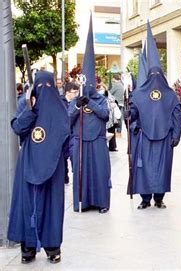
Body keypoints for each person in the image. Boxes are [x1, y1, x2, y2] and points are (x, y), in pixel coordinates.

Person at [8, 71, 69, 264]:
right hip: (29, 162)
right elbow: (18, 128)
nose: (44, 91)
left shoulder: (61, 108)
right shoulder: (26, 105)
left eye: (48, 86)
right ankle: (28, 249)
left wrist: (61, 159)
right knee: (27, 204)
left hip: (53, 165)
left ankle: (53, 248)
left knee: (52, 205)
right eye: (40, 87)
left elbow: (66, 137)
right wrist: (31, 110)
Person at [127, 22, 181, 209]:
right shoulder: (139, 94)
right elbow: (134, 112)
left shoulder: (170, 94)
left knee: (162, 169)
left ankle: (159, 198)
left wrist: (176, 135)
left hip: (165, 138)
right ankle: (145, 199)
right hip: (145, 137)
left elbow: (176, 115)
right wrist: (129, 114)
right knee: (144, 170)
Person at [69, 16, 111, 213]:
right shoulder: (74, 100)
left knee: (100, 173)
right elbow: (68, 119)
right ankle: (82, 202)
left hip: (97, 141)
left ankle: (102, 203)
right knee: (81, 172)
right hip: (80, 141)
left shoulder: (100, 99)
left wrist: (91, 103)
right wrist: (78, 105)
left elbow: (104, 115)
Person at [61, 82, 79, 184]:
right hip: (64, 135)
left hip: (72, 135)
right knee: (63, 157)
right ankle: (64, 176)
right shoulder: (61, 102)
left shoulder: (76, 102)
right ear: (67, 92)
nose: (76, 94)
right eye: (74, 92)